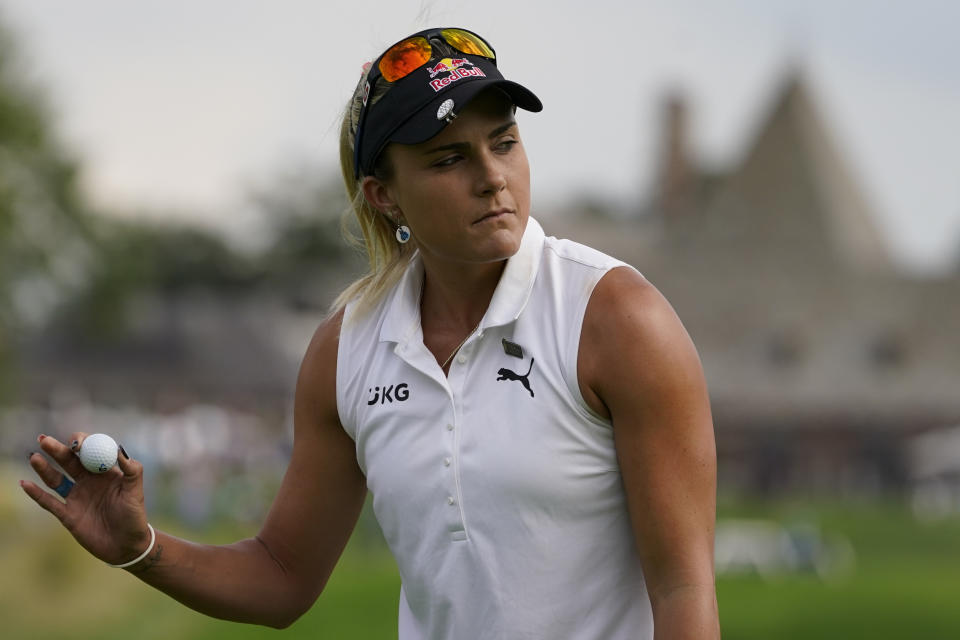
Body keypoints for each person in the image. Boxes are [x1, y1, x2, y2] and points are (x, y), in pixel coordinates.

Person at [21, 27, 719, 639]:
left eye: (504, 142)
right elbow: (281, 577)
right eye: (449, 159)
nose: (492, 177)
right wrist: (140, 547)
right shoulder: (344, 350)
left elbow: (684, 593)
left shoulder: (618, 319)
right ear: (383, 196)